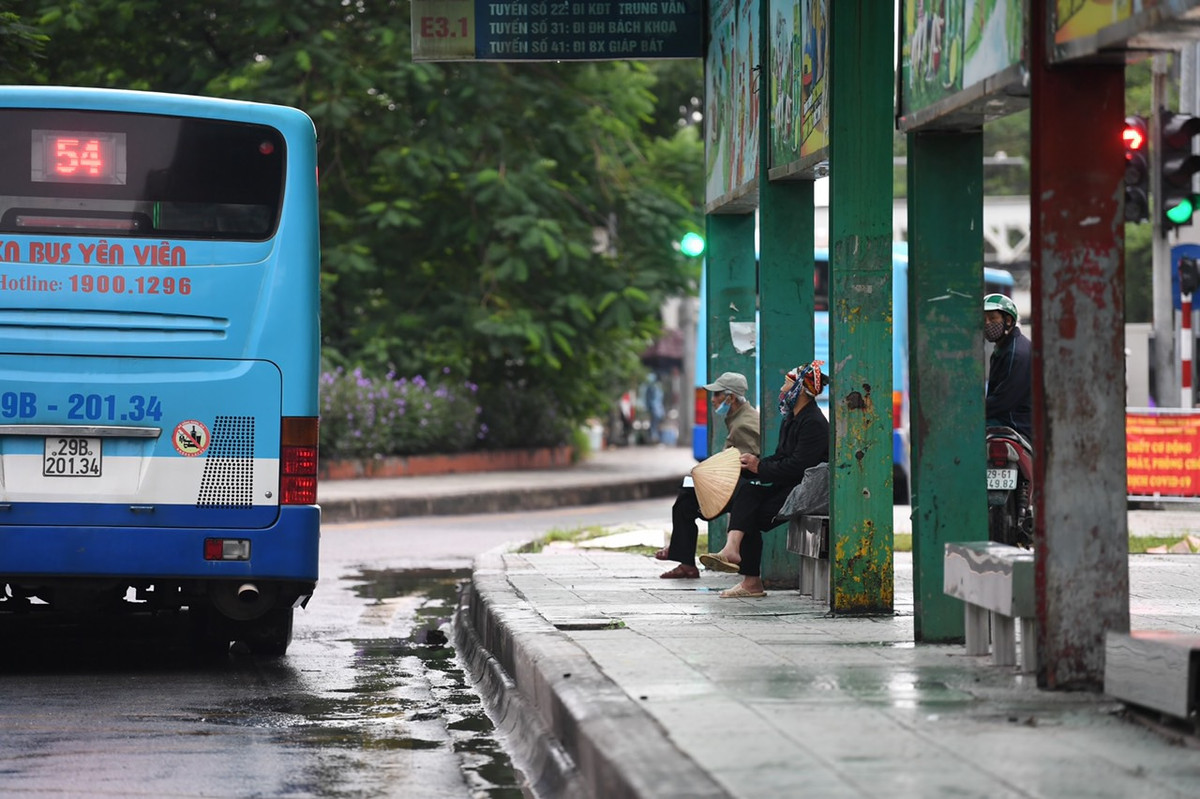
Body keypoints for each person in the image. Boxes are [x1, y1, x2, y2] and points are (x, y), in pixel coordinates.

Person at [699, 361, 830, 598]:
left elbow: (799, 467)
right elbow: (781, 457)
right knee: (747, 492)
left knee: (748, 514)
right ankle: (733, 551)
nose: (781, 389)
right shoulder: (791, 418)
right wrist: (750, 467)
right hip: (788, 485)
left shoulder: (813, 423)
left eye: (786, 384)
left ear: (800, 390)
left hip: (805, 490)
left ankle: (749, 577)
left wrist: (760, 467)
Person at [655, 372, 760, 579]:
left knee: (686, 499)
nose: (713, 400)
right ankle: (684, 559)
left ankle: (682, 557)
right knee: (686, 498)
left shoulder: (744, 424)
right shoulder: (737, 417)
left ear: (730, 398)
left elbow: (747, 462)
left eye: (717, 395)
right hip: (735, 484)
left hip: (741, 488)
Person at [983, 293, 1032, 441]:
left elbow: (1004, 400)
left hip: (1016, 424)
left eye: (993, 318)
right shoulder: (1004, 348)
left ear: (1008, 320)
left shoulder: (1016, 353)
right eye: (984, 319)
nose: (987, 324)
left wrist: (973, 411)